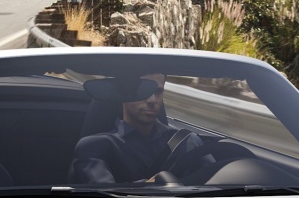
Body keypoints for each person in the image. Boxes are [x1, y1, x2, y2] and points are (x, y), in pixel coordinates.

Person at [69, 72, 214, 185]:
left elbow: (217, 182)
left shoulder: (187, 141)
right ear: (123, 93)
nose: (152, 100)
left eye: (158, 92)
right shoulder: (94, 147)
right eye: (144, 90)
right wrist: (152, 185)